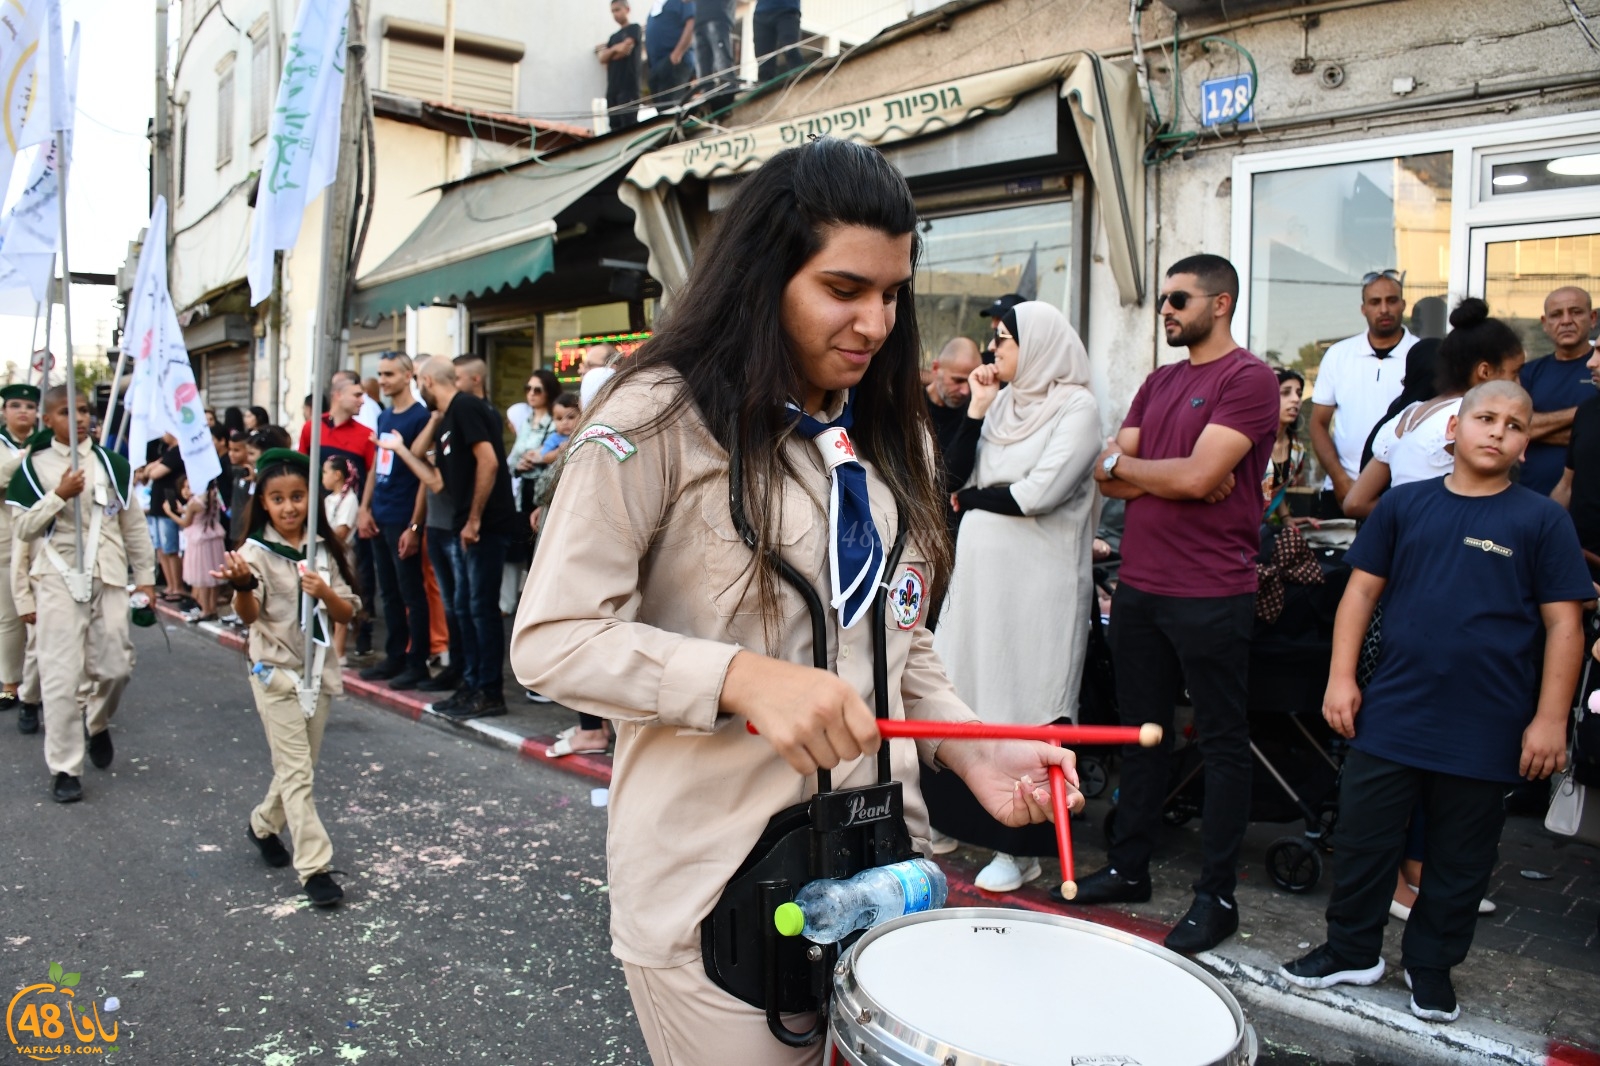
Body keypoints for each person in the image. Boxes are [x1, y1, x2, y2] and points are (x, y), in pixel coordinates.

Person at [507, 137, 1081, 1065]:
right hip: (715, 889)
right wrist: (737, 679)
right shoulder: (652, 419)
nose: (876, 322)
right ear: (765, 276)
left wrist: (975, 746)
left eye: (893, 294)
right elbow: (552, 639)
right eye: (843, 289)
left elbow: (899, 638)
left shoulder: (895, 437)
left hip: (884, 873)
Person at [1280, 379, 1588, 1024]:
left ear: (1526, 446)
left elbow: (1566, 626)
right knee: (1365, 839)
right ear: (1454, 430)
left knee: (1459, 857)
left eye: (1514, 424)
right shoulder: (1404, 505)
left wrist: (1550, 719)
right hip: (1392, 709)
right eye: (1486, 417)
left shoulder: (1540, 520)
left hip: (1489, 724)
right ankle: (1350, 951)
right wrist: (1341, 679)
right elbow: (1359, 596)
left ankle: (1431, 968)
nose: (1498, 430)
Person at [1073, 254, 1280, 955]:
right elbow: (1111, 477)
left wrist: (1145, 471)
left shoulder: (1246, 378)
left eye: (1179, 298)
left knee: (1221, 743)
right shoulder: (1159, 381)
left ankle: (1215, 896)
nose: (1166, 309)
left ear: (1219, 303)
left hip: (1213, 592)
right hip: (1142, 589)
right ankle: (1129, 867)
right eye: (1163, 297)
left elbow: (1193, 476)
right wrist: (1159, 474)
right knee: (1142, 736)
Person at [928, 302, 1101, 893]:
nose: (993, 349)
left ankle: (1019, 847)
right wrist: (976, 410)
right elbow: (949, 482)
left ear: (1042, 345)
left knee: (1028, 699)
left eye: (1003, 339)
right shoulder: (1000, 403)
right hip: (979, 587)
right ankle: (952, 821)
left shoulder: (1076, 408)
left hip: (1038, 592)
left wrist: (976, 500)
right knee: (967, 689)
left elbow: (1037, 493)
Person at [213, 448, 360, 908]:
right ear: (264, 504)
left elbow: (347, 610)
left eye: (298, 496)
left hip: (316, 673)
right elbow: (250, 613)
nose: (290, 507)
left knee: (301, 768)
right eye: (278, 499)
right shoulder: (253, 553)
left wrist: (322, 592)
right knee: (297, 772)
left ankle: (262, 825)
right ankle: (314, 868)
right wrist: (239, 586)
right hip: (274, 674)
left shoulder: (320, 549)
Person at [9, 386, 156, 803]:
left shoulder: (113, 465)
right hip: (56, 579)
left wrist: (145, 576)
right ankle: (65, 768)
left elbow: (133, 526)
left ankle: (97, 722)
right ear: (48, 420)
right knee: (59, 676)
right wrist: (58, 496)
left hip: (107, 575)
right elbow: (22, 529)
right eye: (64, 412)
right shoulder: (34, 467)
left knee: (116, 667)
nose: (77, 418)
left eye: (83, 410)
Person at [1342, 300, 1526, 520]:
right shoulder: (1466, 415)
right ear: (1484, 372)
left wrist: (1411, 516)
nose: (1519, 383)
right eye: (1514, 373)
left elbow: (1354, 503)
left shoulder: (1407, 414)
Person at [411, 357, 518, 721]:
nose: (418, 390)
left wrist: (474, 520)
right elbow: (437, 474)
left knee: (480, 609)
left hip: (486, 526)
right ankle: (472, 686)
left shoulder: (466, 407)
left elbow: (488, 462)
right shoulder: (449, 414)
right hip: (466, 526)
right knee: (468, 609)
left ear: (427, 380)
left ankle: (489, 692)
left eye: (417, 382)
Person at [1308, 271, 1418, 517]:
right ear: (1363, 309)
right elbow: (1318, 424)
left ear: (1403, 304)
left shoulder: (1420, 356)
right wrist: (1339, 479)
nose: (1384, 309)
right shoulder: (1339, 355)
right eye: (1375, 302)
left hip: (1400, 492)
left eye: (1391, 300)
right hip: (1341, 489)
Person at [356, 353, 435, 689]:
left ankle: (417, 661)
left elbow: (424, 477)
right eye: (380, 374)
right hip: (380, 515)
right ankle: (394, 656)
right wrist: (364, 508)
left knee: (411, 593)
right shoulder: (385, 416)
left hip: (404, 518)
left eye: (389, 374)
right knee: (387, 592)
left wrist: (415, 526)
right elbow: (376, 465)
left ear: (407, 376)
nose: (383, 380)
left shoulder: (420, 417)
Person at [1518, 287, 1597, 496]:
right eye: (1556, 315)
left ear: (1593, 318)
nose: (1566, 321)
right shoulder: (1528, 372)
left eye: (1576, 312)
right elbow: (1517, 427)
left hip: (1590, 505)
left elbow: (1526, 429)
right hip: (1533, 495)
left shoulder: (1597, 369)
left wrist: (1534, 429)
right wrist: (1585, 413)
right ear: (1545, 324)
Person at [0, 383, 39, 714]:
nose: (23, 411)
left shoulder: (48, 445)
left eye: (29, 406)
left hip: (42, 541)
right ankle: (10, 682)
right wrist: (24, 459)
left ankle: (39, 682)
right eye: (15, 406)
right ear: (4, 411)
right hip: (5, 540)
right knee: (10, 616)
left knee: (43, 616)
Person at [172, 475, 227, 623]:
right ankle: (212, 608)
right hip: (214, 536)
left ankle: (205, 609)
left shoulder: (194, 503)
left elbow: (186, 523)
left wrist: (169, 512)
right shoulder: (214, 497)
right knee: (213, 574)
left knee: (201, 575)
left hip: (199, 538)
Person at [143, 433, 187, 602]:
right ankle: (170, 585)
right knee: (161, 548)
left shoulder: (178, 451)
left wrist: (153, 467)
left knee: (170, 548)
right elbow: (147, 470)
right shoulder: (168, 451)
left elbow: (154, 473)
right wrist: (152, 467)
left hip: (168, 506)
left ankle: (178, 586)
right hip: (157, 506)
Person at [1263, 368, 1308, 524]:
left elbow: (1276, 488)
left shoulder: (1297, 449)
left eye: (1299, 394)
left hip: (1257, 529)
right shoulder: (1250, 442)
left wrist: (1286, 518)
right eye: (1286, 392)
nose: (1295, 399)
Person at [598, 0, 643, 130]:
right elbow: (602, 58)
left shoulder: (634, 28)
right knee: (614, 126)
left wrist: (611, 53)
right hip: (613, 88)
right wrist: (613, 50)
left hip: (628, 86)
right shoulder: (613, 37)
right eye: (613, 11)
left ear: (627, 10)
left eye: (617, 10)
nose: (615, 14)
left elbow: (625, 50)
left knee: (629, 124)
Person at [645, 0, 695, 104]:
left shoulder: (681, 2)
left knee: (670, 108)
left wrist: (677, 54)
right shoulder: (655, 8)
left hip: (675, 63)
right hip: (657, 67)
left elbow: (691, 23)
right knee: (662, 111)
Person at [752, 0, 802, 83]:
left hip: (787, 10)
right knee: (763, 62)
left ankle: (802, 80)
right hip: (761, 13)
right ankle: (766, 90)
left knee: (790, 50)